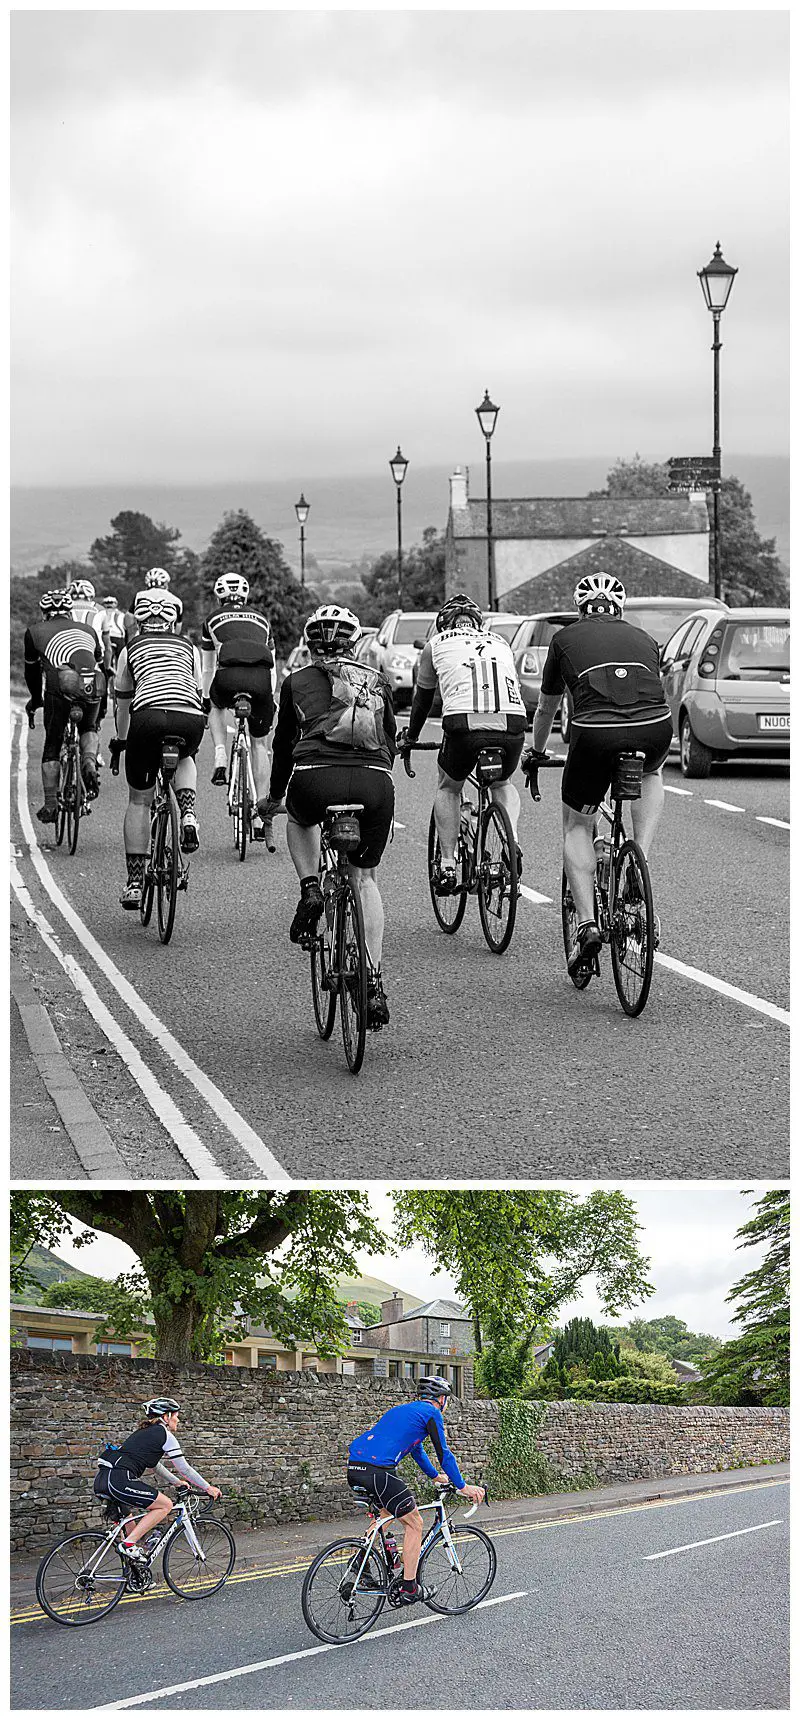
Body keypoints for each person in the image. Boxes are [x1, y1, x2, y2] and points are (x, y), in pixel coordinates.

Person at [526, 572, 673, 974]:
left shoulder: (563, 639)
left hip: (594, 734)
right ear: (620, 610)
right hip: (655, 727)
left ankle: (588, 926)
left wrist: (537, 753)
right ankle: (638, 855)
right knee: (652, 774)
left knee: (577, 825)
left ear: (580, 609)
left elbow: (546, 709)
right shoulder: (644, 637)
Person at [258, 604, 396, 1028]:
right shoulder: (377, 682)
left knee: (299, 819)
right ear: (355, 642)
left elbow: (283, 746)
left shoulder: (296, 680)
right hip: (373, 783)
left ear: (311, 644)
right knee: (366, 879)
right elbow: (389, 744)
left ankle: (309, 888)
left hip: (315, 778)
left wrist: (274, 798)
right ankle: (372, 981)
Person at [397, 593, 526, 890]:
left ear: (444, 625)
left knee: (449, 787)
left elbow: (423, 701)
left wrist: (412, 737)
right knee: (502, 784)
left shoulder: (436, 644)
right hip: (513, 722)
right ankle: (512, 841)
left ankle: (447, 865)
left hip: (464, 724)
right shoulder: (500, 642)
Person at [347, 1376, 484, 1606]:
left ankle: (360, 1558)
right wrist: (463, 1487)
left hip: (355, 1468)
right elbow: (444, 1453)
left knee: (386, 1513)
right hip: (379, 1471)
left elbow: (417, 1450)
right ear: (441, 1399)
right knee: (415, 1523)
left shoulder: (402, 1411)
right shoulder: (432, 1414)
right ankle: (409, 1587)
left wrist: (435, 1476)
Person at [110, 589, 205, 908]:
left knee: (139, 800)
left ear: (139, 620)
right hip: (188, 717)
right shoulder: (189, 648)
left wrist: (122, 741)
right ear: (173, 621)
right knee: (186, 756)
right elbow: (197, 689)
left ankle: (135, 882)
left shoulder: (130, 648)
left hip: (147, 717)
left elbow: (123, 705)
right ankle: (188, 812)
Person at [95, 1397, 220, 1564]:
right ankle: (127, 1545)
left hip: (104, 1480)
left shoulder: (144, 1433)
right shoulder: (164, 1435)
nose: (178, 1419)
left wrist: (176, 1482)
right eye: (176, 1415)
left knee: (131, 1528)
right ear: (166, 1417)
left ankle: (134, 1578)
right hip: (119, 1480)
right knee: (165, 1505)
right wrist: (207, 1487)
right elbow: (184, 1468)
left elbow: (155, 1466)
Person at [200, 573, 276, 844]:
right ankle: (259, 813)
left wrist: (206, 696)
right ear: (246, 596)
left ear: (219, 596)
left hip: (228, 677)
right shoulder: (263, 620)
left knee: (216, 705)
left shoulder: (211, 619)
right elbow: (273, 667)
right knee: (259, 746)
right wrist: (268, 697)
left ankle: (220, 754)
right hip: (261, 681)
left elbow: (208, 667)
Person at [23, 589, 105, 818]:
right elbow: (99, 661)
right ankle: (89, 762)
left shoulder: (34, 632)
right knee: (89, 727)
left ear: (44, 612)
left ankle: (50, 805)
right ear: (70, 612)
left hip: (59, 688)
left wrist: (36, 700)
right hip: (93, 684)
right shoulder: (88, 630)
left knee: (52, 743)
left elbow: (31, 673)